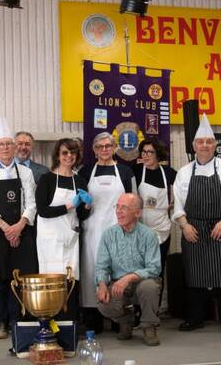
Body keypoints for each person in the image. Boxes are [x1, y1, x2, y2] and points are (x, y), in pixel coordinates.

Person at [172, 114, 221, 334]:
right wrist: (184, 225)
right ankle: (195, 318)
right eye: (200, 142)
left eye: (209, 142)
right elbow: (177, 202)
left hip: (220, 227)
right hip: (193, 229)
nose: (204, 146)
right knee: (194, 276)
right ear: (194, 145)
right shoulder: (184, 173)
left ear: (215, 145)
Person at [0, 118, 38, 340]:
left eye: (8, 144)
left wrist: (19, 226)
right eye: (1, 144)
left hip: (22, 233)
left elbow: (31, 204)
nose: (5, 148)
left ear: (14, 148)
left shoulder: (26, 173)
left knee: (20, 279)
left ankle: (17, 320)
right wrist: (6, 228)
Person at [78, 132, 136, 332]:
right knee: (92, 270)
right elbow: (79, 203)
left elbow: (133, 200)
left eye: (108, 146)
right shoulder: (85, 172)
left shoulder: (125, 171)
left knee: (117, 272)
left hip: (118, 230)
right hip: (92, 230)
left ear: (114, 148)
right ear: (94, 151)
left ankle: (117, 317)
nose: (104, 150)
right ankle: (93, 318)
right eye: (100, 147)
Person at [35, 138, 91, 322]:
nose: (69, 156)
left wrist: (88, 205)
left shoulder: (80, 180)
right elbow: (43, 211)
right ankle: (52, 325)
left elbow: (81, 216)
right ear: (58, 156)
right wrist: (68, 205)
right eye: (65, 152)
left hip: (71, 238)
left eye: (72, 153)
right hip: (50, 240)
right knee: (52, 282)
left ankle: (70, 324)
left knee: (71, 281)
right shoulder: (47, 179)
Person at [94, 193, 161, 346]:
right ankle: (126, 321)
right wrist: (102, 285)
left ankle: (148, 326)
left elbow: (154, 268)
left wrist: (129, 277)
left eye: (124, 208)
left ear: (137, 213)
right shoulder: (108, 235)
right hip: (118, 284)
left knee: (149, 287)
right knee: (102, 301)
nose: (118, 211)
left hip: (142, 281)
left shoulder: (148, 235)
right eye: (117, 207)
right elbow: (101, 266)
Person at [132, 139, 177, 290]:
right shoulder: (136, 171)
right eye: (143, 152)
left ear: (158, 154)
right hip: (140, 229)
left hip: (162, 228)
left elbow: (184, 188)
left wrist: (175, 205)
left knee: (158, 269)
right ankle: (139, 311)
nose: (145, 155)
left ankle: (153, 310)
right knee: (139, 269)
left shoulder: (169, 173)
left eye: (150, 152)